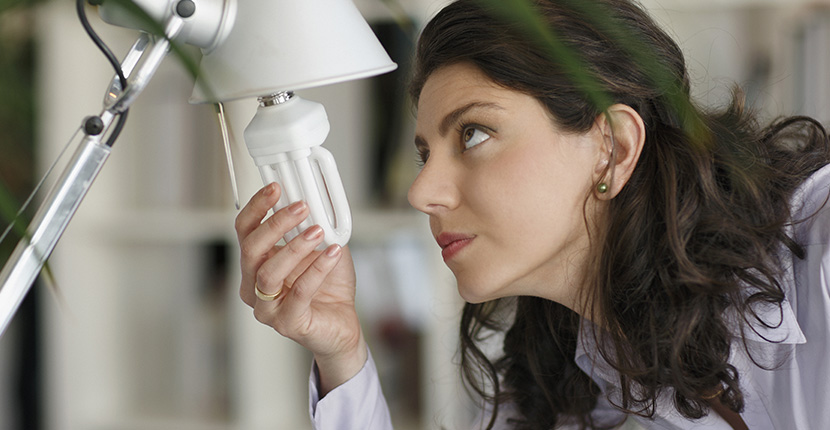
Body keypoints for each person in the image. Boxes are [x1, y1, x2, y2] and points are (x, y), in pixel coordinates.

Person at [233, 0, 830, 428]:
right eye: (424, 154)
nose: (421, 193)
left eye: (472, 134)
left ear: (613, 147)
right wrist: (342, 355)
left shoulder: (821, 252)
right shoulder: (573, 377)